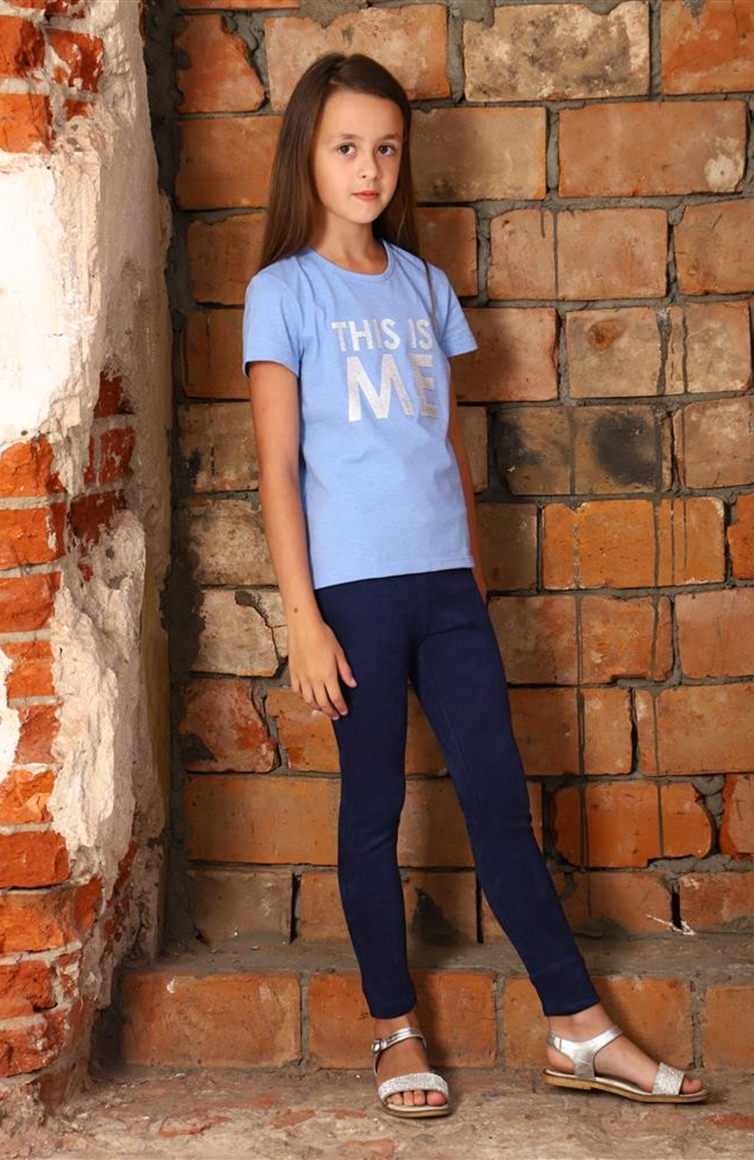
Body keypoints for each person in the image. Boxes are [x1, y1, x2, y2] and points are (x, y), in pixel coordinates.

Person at [241, 51, 707, 1119]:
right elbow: (276, 468)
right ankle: (393, 1026)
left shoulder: (422, 285)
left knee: (499, 801)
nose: (368, 169)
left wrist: (475, 579)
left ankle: (577, 1025)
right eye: (346, 147)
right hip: (352, 596)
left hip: (447, 588)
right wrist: (303, 619)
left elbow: (445, 442)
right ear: (306, 155)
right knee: (373, 810)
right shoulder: (282, 293)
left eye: (385, 148)